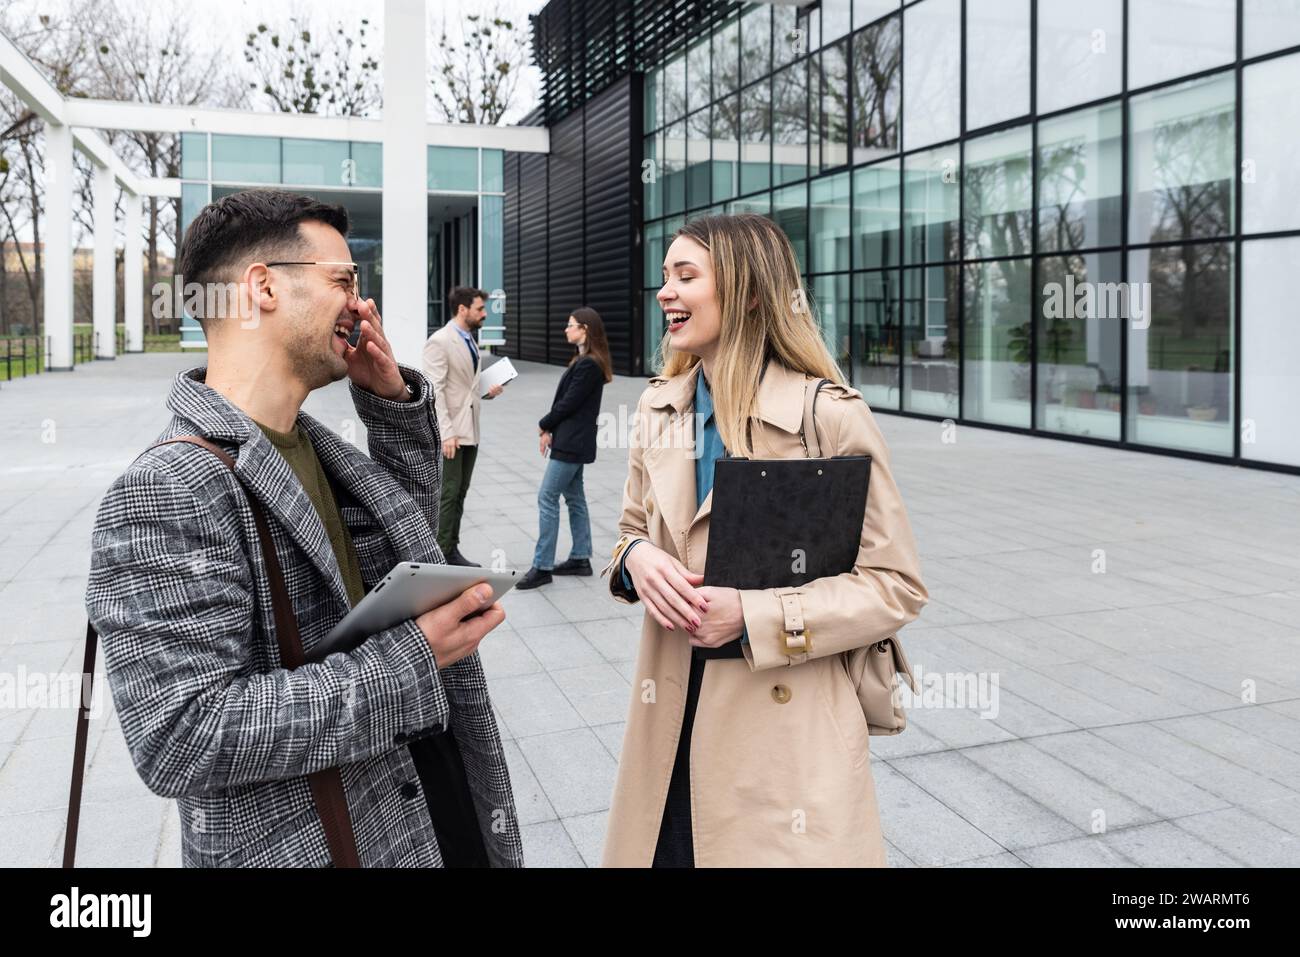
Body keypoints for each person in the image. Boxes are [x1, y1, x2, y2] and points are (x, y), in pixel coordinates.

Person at [84, 189, 522, 868]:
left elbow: (402, 552)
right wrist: (413, 659)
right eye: (342, 280)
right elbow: (181, 736)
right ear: (261, 287)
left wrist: (393, 405)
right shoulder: (165, 490)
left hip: (409, 811)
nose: (359, 304)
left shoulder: (313, 444)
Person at [599, 213, 929, 867]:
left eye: (686, 275)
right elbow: (631, 530)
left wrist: (755, 615)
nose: (665, 291)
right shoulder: (658, 405)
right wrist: (636, 559)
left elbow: (895, 585)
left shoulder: (828, 416)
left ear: (750, 291)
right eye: (664, 276)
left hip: (786, 739)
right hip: (670, 720)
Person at [517, 308, 613, 590]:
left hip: (571, 443)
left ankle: (542, 566)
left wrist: (544, 425)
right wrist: (550, 429)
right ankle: (581, 558)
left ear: (584, 329)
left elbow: (568, 403)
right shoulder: (585, 361)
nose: (565, 329)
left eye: (570, 325)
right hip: (573, 440)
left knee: (547, 497)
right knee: (575, 498)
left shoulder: (588, 365)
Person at [421, 286, 505, 567]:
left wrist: (486, 391)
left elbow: (465, 386)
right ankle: (441, 553)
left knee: (460, 491)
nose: (484, 314)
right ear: (462, 309)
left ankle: (452, 548)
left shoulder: (469, 338)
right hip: (452, 433)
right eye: (480, 309)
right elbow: (435, 390)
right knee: (448, 493)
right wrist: (446, 432)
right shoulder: (440, 341)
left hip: (471, 429)